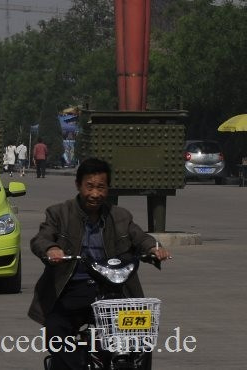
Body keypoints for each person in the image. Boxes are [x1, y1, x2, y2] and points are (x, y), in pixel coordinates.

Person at [29, 157, 170, 369]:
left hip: (115, 292)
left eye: (101, 187)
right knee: (56, 330)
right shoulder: (59, 213)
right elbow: (41, 238)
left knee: (143, 330)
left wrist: (154, 248)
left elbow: (140, 237)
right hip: (72, 289)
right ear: (78, 185)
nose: (95, 194)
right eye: (90, 186)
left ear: (108, 188)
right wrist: (51, 249)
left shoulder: (121, 216)